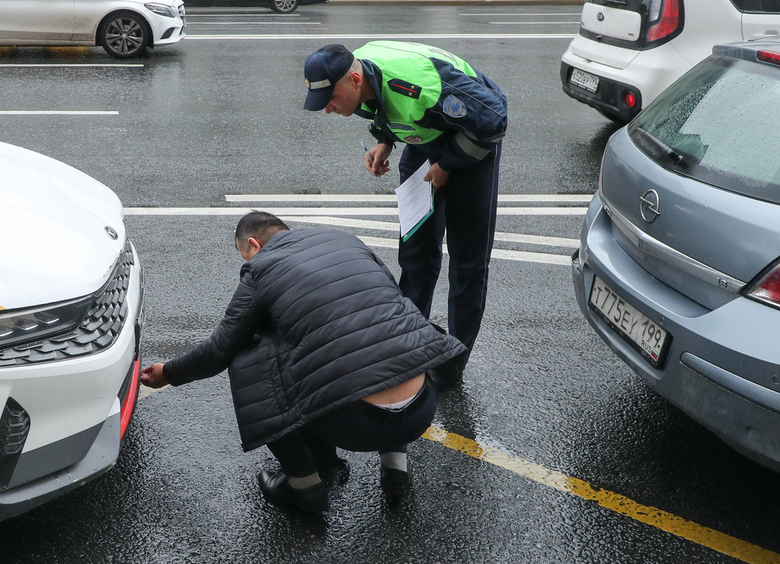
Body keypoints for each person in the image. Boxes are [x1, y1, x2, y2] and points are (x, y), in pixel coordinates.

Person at [141, 211, 465, 514]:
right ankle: (396, 468)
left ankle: (304, 484)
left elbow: (219, 349)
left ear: (253, 245)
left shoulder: (262, 267)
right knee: (382, 334)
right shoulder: (348, 241)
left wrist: (167, 373)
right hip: (422, 408)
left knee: (249, 351)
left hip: (353, 425)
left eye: (246, 255)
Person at [303, 41, 508, 389]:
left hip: (471, 140)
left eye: (331, 100)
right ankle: (409, 348)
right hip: (425, 136)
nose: (328, 110)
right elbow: (384, 108)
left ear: (354, 80)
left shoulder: (419, 85)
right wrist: (384, 140)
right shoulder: (362, 75)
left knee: (468, 263)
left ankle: (452, 364)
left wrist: (447, 165)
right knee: (416, 255)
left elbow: (494, 120)